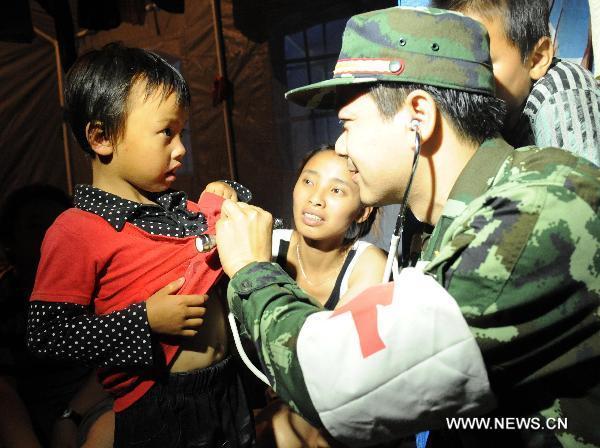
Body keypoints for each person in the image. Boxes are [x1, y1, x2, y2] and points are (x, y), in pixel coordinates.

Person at [215, 6, 600, 448]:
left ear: (418, 116)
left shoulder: (537, 211)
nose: (340, 145)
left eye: (348, 124)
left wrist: (250, 271)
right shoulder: (445, 220)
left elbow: (337, 382)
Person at [27, 43, 254, 447]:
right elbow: (46, 335)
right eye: (166, 132)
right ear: (101, 138)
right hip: (161, 403)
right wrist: (143, 321)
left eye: (181, 132)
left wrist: (230, 192)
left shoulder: (179, 209)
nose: (181, 148)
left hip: (226, 389)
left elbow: (223, 236)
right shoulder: (77, 230)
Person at [258, 146, 386, 447]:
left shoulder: (368, 264)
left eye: (337, 190)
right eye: (308, 181)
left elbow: (337, 367)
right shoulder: (263, 248)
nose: (315, 198)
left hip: (332, 413)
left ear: (363, 209)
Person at [0, 184, 113, 448]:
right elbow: (3, 390)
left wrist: (70, 417)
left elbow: (115, 361)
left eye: (57, 224)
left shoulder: (97, 287)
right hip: (27, 412)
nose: (49, 235)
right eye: (34, 226)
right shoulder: (6, 297)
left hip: (93, 402)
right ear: (10, 242)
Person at [431, 0, 600, 166]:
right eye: (453, 63)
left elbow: (577, 186)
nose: (464, 77)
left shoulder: (562, 95)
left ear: (536, 59)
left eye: (481, 62)